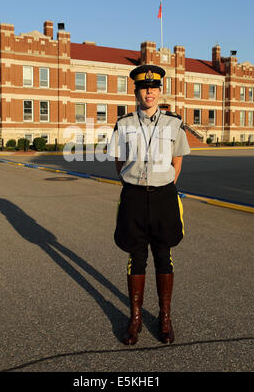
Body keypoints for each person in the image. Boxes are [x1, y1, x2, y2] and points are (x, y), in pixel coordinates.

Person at [108, 64, 190, 345]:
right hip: (133, 195)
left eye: (154, 88)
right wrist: (132, 182)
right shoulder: (124, 124)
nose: (149, 92)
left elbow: (177, 159)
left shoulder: (173, 124)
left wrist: (164, 182)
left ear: (159, 91)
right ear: (136, 92)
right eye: (144, 88)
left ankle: (164, 319)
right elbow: (119, 161)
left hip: (164, 196)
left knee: (163, 256)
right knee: (136, 256)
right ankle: (136, 319)